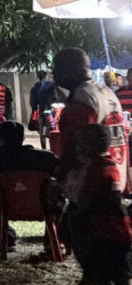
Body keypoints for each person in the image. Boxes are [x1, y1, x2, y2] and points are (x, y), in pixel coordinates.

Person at [61, 123, 132, 285]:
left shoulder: (100, 169)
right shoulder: (99, 165)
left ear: (96, 144)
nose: (80, 145)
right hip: (107, 235)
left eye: (85, 141)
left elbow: (87, 200)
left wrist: (77, 214)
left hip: (105, 236)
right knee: (108, 282)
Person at [55, 47, 129, 193]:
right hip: (115, 177)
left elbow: (75, 144)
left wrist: (59, 176)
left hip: (89, 185)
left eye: (57, 67)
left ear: (72, 69)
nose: (53, 73)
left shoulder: (82, 98)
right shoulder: (107, 93)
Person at [0, 121, 57, 253]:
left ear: (0, 137)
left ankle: (6, 237)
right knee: (56, 190)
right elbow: (59, 171)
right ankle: (51, 241)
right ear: (22, 138)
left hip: (6, 205)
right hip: (43, 206)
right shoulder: (44, 157)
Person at [29, 70, 58, 151]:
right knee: (52, 128)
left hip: (41, 110)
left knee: (41, 130)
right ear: (46, 76)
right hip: (51, 110)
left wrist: (34, 108)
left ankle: (44, 149)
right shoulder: (51, 85)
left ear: (38, 77)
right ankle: (52, 148)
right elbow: (55, 97)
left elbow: (32, 101)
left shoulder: (35, 87)